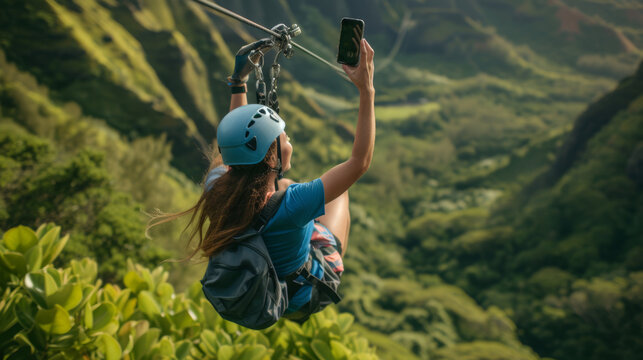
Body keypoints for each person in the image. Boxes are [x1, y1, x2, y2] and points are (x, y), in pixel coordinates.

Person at [150, 36, 375, 321]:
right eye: (285, 137)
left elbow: (237, 144)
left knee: (287, 186)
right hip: (305, 292)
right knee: (338, 194)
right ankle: (326, 247)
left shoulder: (219, 185)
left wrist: (238, 82)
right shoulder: (293, 205)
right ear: (272, 157)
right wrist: (367, 89)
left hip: (268, 277)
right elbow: (359, 162)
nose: (289, 139)